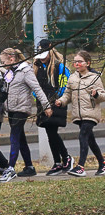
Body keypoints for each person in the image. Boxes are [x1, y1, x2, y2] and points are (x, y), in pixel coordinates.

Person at [0, 47, 51, 182]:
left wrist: (46, 105)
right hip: (11, 109)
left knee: (14, 136)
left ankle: (10, 168)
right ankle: (29, 166)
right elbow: (3, 73)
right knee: (20, 138)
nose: (3, 64)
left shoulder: (25, 71)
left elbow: (37, 89)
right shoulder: (10, 71)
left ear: (11, 59)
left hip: (21, 109)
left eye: (4, 62)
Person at [55, 50, 105, 176]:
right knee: (90, 140)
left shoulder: (95, 78)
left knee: (83, 136)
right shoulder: (72, 77)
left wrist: (96, 94)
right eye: (75, 61)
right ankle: (103, 164)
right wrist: (61, 102)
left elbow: (102, 96)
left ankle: (80, 167)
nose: (76, 64)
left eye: (79, 61)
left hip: (91, 113)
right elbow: (67, 94)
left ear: (87, 63)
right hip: (78, 114)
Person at [33, 40, 72, 175]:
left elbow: (65, 85)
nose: (42, 59)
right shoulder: (37, 67)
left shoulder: (59, 67)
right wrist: (38, 99)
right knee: (50, 133)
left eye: (44, 55)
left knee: (52, 132)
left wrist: (57, 99)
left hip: (55, 103)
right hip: (43, 104)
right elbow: (35, 86)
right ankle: (58, 162)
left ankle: (65, 158)